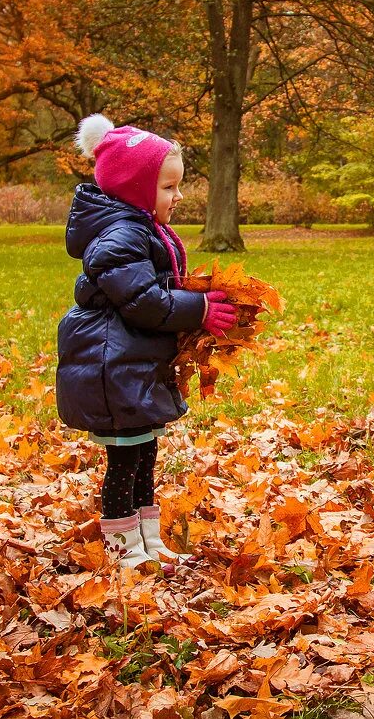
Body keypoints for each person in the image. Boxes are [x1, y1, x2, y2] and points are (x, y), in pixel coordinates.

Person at [56, 114, 237, 572]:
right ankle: (123, 548)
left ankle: (147, 540)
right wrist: (197, 309)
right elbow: (142, 300)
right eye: (169, 188)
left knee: (144, 450)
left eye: (177, 186)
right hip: (112, 364)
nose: (178, 197)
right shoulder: (121, 236)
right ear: (136, 190)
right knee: (126, 457)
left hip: (133, 362)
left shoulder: (139, 227)